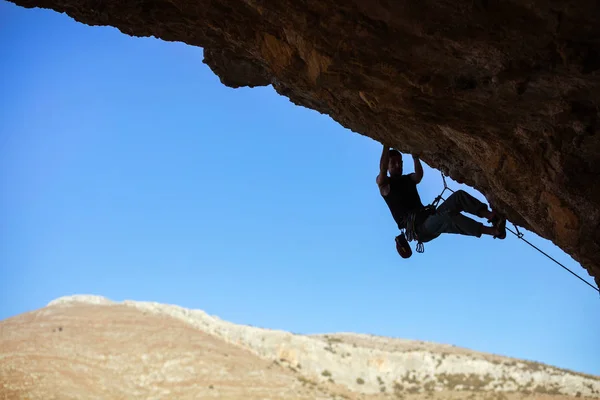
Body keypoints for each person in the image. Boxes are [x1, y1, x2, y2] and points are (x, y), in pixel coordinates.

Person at [376, 145, 506, 251]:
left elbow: (418, 176)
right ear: (387, 165)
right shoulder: (386, 187)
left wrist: (415, 157)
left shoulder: (407, 179)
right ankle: (494, 231)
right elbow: (382, 172)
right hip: (420, 230)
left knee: (458, 197)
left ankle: (492, 217)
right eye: (393, 163)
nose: (398, 165)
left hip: (429, 218)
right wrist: (386, 145)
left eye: (400, 162)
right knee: (447, 216)